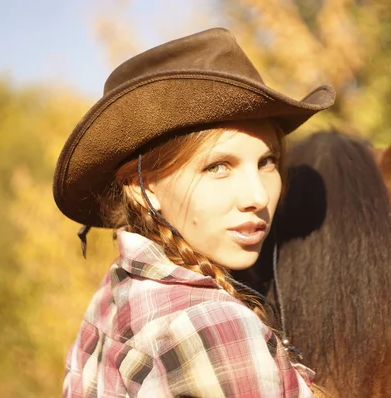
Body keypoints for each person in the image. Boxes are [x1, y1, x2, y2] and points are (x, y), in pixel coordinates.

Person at [54, 27, 335, 397]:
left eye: (267, 161)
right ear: (142, 189)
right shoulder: (212, 325)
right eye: (218, 166)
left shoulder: (117, 292)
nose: (257, 196)